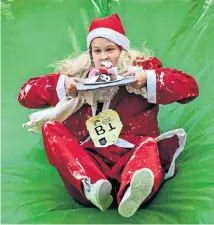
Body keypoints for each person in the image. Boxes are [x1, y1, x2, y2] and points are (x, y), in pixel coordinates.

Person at [18, 13, 199, 217]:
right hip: (88, 161)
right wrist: (62, 86)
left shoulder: (139, 70)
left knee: (148, 146)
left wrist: (147, 79)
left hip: (132, 155)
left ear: (122, 50)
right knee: (51, 129)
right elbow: (25, 94)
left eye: (110, 49)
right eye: (97, 51)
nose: (103, 56)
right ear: (91, 54)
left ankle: (134, 188)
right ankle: (93, 186)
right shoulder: (78, 77)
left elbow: (190, 88)